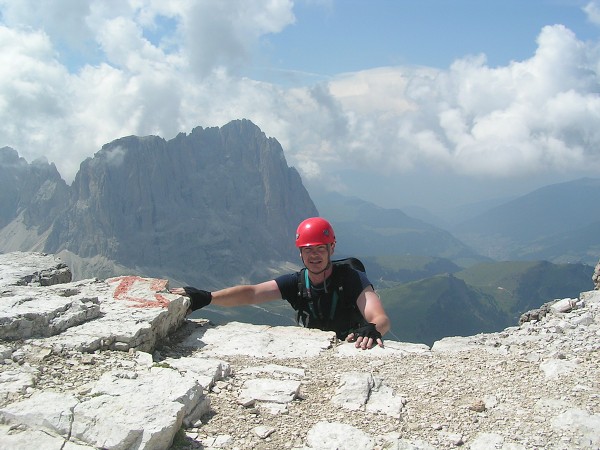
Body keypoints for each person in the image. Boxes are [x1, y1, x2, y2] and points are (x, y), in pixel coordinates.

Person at [170, 217, 390, 350]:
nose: (314, 256)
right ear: (300, 253)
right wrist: (208, 297)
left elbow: (379, 317)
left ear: (331, 249)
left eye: (320, 249)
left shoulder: (351, 278)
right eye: (308, 250)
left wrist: (372, 328)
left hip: (354, 345)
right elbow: (252, 293)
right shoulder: (297, 283)